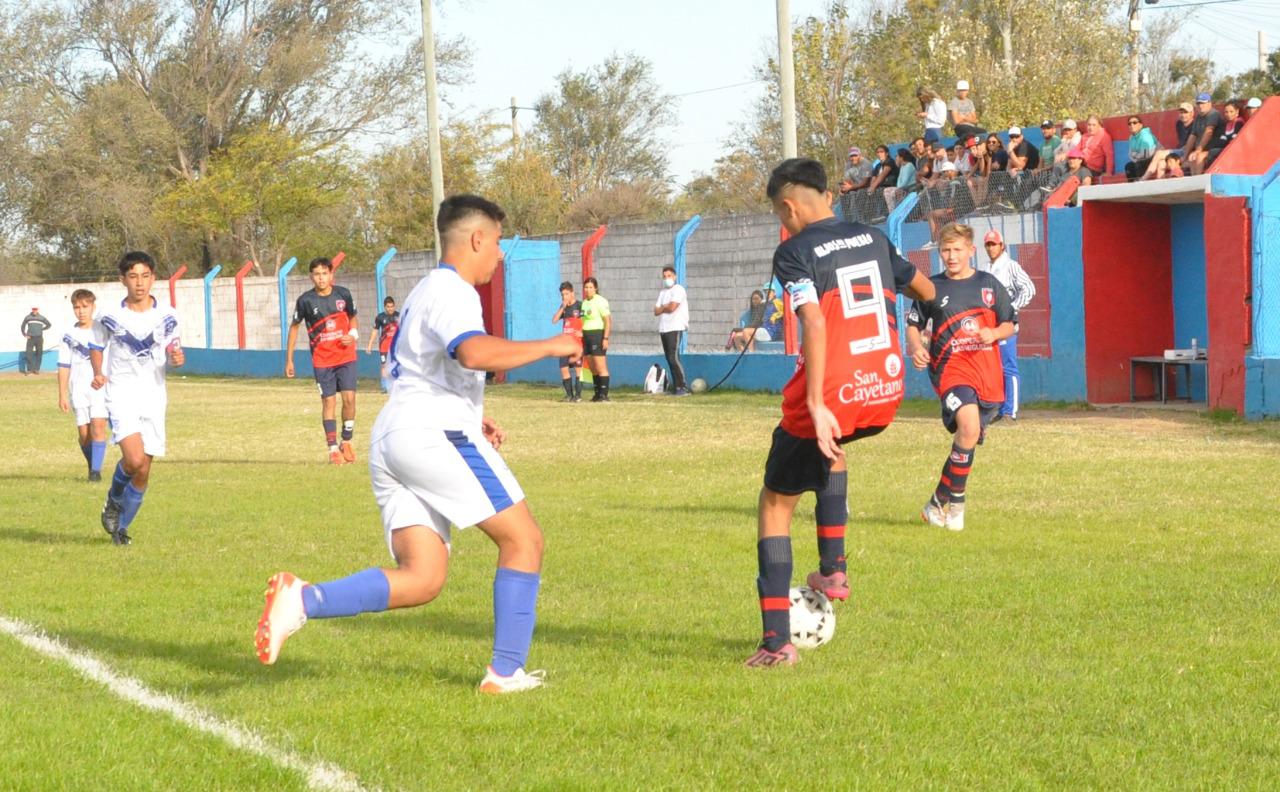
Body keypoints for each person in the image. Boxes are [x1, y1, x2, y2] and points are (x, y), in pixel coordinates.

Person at [253, 194, 580, 694]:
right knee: (524, 540)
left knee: (423, 577)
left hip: (396, 434)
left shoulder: (424, 291)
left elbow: (424, 369)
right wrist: (553, 344)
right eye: (495, 242)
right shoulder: (454, 291)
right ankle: (505, 672)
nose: (498, 254)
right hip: (430, 432)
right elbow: (472, 352)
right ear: (476, 238)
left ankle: (302, 600)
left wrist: (474, 416)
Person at [745, 157, 934, 668]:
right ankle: (833, 570)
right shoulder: (873, 238)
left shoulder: (794, 251)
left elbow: (813, 321)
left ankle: (775, 643)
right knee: (834, 452)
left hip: (829, 392)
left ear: (788, 206)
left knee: (775, 504)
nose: (781, 225)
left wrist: (814, 402)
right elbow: (924, 289)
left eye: (779, 216)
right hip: (882, 387)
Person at [906, 223, 1016, 532]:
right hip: (950, 370)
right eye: (945, 250)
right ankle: (956, 507)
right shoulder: (930, 286)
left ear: (971, 251)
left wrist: (994, 332)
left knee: (966, 438)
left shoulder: (989, 284)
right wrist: (916, 347)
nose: (951, 257)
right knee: (967, 427)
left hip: (987, 374)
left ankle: (936, 502)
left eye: (957, 250)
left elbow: (1012, 324)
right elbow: (914, 324)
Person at [91, 251, 185, 545]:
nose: (139, 283)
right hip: (122, 394)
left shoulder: (168, 316)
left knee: (144, 468)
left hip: (155, 396)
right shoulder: (109, 316)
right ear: (123, 280)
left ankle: (120, 530)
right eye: (133, 276)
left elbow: (174, 347)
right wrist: (98, 370)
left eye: (145, 276)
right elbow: (96, 345)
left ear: (153, 278)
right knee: (132, 459)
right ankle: (113, 499)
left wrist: (178, 357)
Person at [285, 257, 360, 465]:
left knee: (349, 399)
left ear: (331, 274)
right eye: (317, 274)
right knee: (329, 401)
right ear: (311, 277)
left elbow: (353, 317)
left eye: (324, 273)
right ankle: (333, 448)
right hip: (322, 360)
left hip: (346, 356)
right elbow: (294, 327)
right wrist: (289, 359)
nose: (321, 278)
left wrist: (352, 335)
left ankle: (346, 440)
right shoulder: (305, 301)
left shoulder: (343, 294)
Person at [979, 231, 1036, 420]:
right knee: (994, 368)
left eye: (994, 244)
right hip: (990, 327)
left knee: (1008, 367)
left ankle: (1010, 412)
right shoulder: (986, 269)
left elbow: (1029, 288)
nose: (991, 248)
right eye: (988, 244)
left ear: (1002, 245)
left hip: (1006, 325)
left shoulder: (1011, 266)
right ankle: (1000, 409)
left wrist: (1012, 308)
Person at [57, 289, 109, 482]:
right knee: (84, 435)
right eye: (77, 307)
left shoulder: (102, 330)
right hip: (78, 389)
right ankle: (92, 466)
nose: (81, 311)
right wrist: (62, 394)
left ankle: (96, 473)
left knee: (98, 428)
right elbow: (63, 365)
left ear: (93, 307)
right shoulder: (68, 334)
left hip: (99, 388)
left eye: (85, 306)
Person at [654, 265, 689, 395]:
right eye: (664, 277)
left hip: (675, 327)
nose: (666, 279)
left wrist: (664, 307)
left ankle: (683, 386)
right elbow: (656, 311)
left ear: (674, 276)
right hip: (664, 328)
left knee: (673, 357)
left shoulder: (678, 289)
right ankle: (676, 387)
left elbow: (672, 307)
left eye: (669, 276)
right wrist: (664, 306)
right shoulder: (662, 292)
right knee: (669, 358)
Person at [551, 281, 584, 402]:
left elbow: (587, 322)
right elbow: (554, 320)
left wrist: (582, 333)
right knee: (564, 368)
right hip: (565, 344)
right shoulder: (563, 308)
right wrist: (562, 308)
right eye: (563, 294)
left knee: (578, 368)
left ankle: (578, 395)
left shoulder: (580, 306)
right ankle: (569, 395)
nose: (565, 297)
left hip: (576, 343)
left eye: (567, 294)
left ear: (572, 293)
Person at [580, 276, 611, 401]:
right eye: (586, 287)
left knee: (600, 367)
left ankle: (604, 395)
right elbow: (581, 321)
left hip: (597, 335)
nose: (588, 290)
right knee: (592, 368)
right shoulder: (584, 303)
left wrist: (605, 338)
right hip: (586, 336)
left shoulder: (601, 301)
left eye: (591, 287)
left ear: (596, 288)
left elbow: (607, 321)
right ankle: (597, 393)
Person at [366, 296, 400, 393]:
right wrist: (370, 345)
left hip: (396, 346)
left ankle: (397, 385)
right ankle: (384, 387)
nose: (390, 309)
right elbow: (375, 331)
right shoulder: (380, 317)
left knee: (397, 365)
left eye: (392, 306)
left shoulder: (399, 316)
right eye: (388, 306)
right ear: (385, 307)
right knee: (384, 365)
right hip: (384, 346)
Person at [1185, 93, 1224, 175]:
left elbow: (1209, 132)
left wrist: (1198, 150)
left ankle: (1199, 182)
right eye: (1198, 103)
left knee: (1198, 157)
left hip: (1215, 149)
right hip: (1203, 150)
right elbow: (1192, 136)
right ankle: (1194, 183)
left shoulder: (1213, 114)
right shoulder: (1198, 117)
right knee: (1191, 157)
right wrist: (1184, 156)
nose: (1200, 106)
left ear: (1210, 103)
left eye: (1203, 103)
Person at [1205, 100, 1245, 168]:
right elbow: (1218, 141)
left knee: (1212, 152)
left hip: (1233, 153)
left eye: (1231, 111)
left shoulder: (1239, 124)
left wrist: (1224, 140)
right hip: (1224, 152)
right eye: (1226, 112)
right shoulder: (1224, 125)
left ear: (1237, 112)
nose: (1228, 114)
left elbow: (1232, 141)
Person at [1124, 116, 1159, 181]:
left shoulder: (1145, 135)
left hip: (1154, 159)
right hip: (1141, 160)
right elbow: (1130, 154)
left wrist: (1136, 155)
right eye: (1129, 123)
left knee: (1139, 164)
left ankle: (1142, 186)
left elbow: (1146, 154)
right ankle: (1132, 187)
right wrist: (1137, 156)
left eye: (1134, 123)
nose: (1132, 125)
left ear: (1140, 125)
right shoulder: (1131, 138)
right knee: (1128, 166)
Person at [20, 307, 52, 375]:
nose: (34, 310)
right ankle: (29, 370)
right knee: (29, 354)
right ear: (32, 310)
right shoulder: (28, 317)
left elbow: (49, 325)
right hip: (30, 338)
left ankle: (37, 369)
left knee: (39, 353)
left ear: (38, 310)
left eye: (36, 309)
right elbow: (22, 326)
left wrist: (42, 329)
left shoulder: (41, 318)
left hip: (39, 338)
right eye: (33, 309)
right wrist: (24, 334)